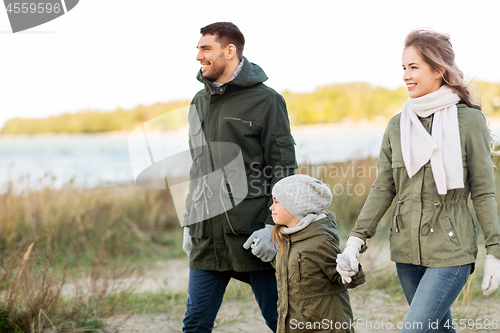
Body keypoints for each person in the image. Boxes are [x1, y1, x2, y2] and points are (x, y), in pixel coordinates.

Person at [337, 29, 500, 333]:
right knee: (437, 330)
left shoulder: (469, 121)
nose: (406, 76)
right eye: (403, 68)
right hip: (406, 250)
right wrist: (355, 241)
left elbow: (483, 192)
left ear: (439, 70)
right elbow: (384, 188)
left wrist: (495, 252)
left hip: (451, 251)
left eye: (414, 67)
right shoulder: (398, 125)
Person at [181, 22, 297, 332]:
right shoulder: (198, 102)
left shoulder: (267, 100)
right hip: (207, 235)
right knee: (195, 325)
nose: (198, 56)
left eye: (205, 49)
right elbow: (198, 166)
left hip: (253, 235)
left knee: (281, 321)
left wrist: (275, 229)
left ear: (229, 51)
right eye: (198, 49)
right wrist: (190, 220)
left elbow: (283, 168)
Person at [262, 174, 365, 333]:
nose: (271, 207)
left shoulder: (320, 241)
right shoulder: (287, 238)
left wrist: (351, 269)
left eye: (276, 202)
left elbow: (344, 280)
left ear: (297, 206)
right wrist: (272, 258)